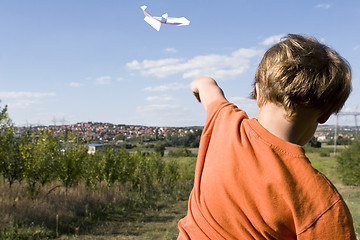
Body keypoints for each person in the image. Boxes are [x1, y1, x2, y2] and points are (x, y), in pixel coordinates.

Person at [177, 34, 356, 239]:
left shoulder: (223, 122)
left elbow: (204, 83)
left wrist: (201, 86)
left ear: (259, 93)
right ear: (326, 114)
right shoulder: (322, 201)